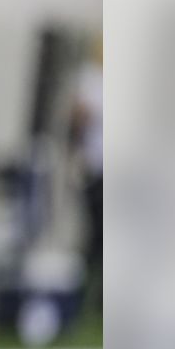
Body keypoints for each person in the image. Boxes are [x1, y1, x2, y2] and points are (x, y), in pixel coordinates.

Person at [69, 35, 103, 314]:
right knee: (95, 236)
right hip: (97, 167)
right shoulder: (91, 79)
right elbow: (80, 119)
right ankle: (82, 300)